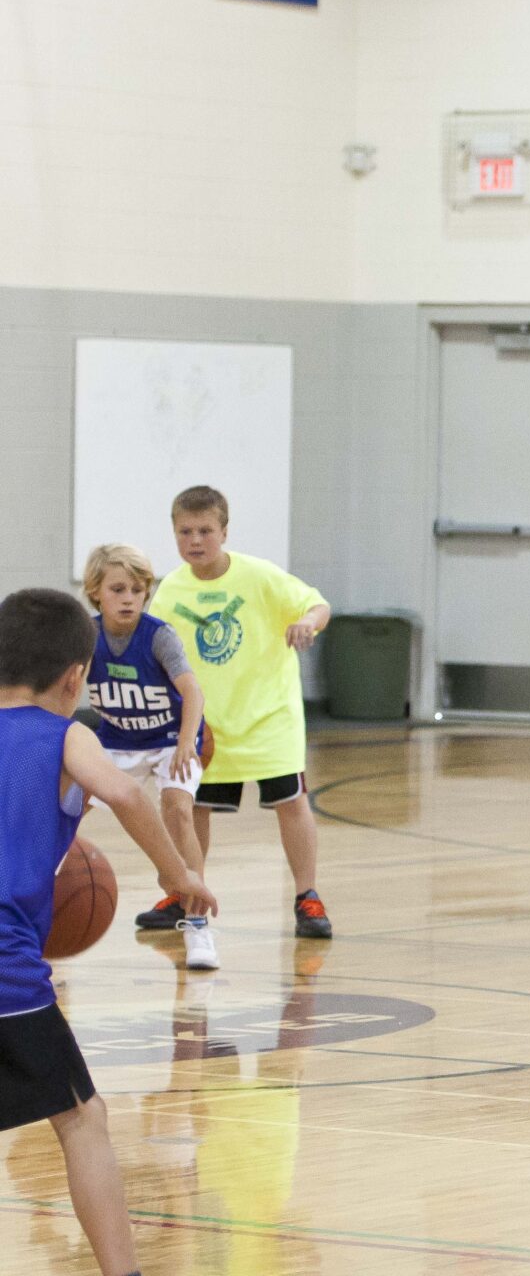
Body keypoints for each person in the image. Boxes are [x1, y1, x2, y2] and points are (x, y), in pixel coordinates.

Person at [0, 587, 216, 1276]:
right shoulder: (66, 734)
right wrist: (180, 874)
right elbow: (126, 792)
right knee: (82, 1119)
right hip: (6, 967)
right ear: (74, 677)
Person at [148, 486, 334, 938]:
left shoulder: (258, 576)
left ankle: (307, 897)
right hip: (207, 725)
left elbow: (317, 604)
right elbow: (151, 645)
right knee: (193, 811)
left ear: (224, 532)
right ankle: (186, 892)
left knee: (291, 803)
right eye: (185, 531)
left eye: (205, 531)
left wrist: (307, 623)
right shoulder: (172, 588)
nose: (195, 540)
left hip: (269, 719)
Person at [79, 545, 216, 971]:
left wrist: (185, 744)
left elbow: (192, 691)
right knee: (66, 808)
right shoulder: (87, 635)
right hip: (116, 741)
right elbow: (65, 690)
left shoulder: (159, 636)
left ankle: (196, 924)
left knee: (177, 810)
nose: (129, 598)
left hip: (169, 740)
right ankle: (36, 908)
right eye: (118, 589)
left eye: (138, 590)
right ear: (96, 591)